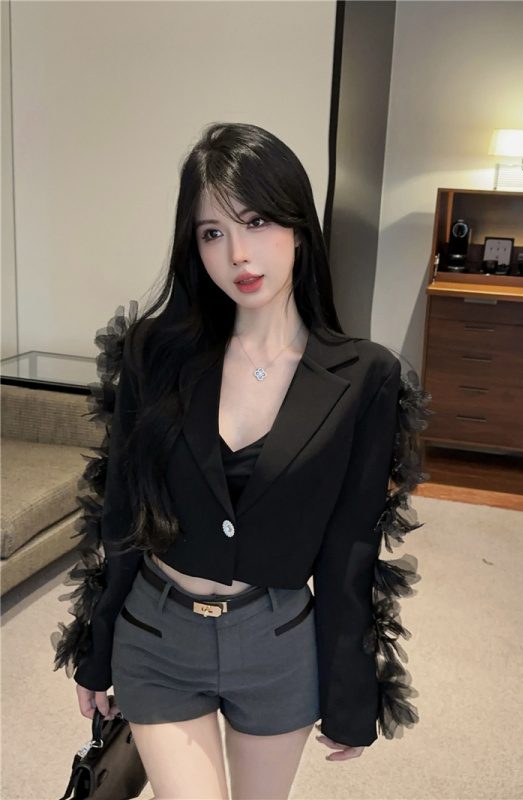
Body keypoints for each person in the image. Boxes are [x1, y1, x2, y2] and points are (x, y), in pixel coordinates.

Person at [52, 122, 428, 800]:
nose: (238, 254)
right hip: (157, 634)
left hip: (277, 641)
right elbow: (122, 514)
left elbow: (351, 547)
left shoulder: (363, 376)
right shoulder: (154, 353)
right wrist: (96, 649)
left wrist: (351, 689)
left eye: (256, 221)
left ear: (298, 226)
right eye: (212, 232)